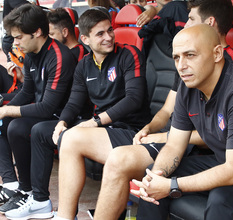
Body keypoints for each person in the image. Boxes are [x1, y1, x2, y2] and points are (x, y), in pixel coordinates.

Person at [92, 0, 233, 219]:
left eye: (191, 19)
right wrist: (150, 129)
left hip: (217, 153)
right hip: (179, 141)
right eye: (177, 58)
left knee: (123, 162)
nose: (184, 25)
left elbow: (220, 138)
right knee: (155, 176)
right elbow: (167, 113)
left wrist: (162, 139)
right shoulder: (189, 71)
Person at [132, 23, 233, 219]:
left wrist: (172, 186)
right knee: (155, 175)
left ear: (217, 54)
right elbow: (174, 146)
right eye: (177, 58)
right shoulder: (188, 86)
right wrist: (158, 177)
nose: (181, 66)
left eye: (190, 55)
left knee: (222, 199)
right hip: (228, 161)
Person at [6, 7, 151, 220]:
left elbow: (133, 99)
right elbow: (74, 103)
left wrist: (94, 122)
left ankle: (66, 216)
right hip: (102, 128)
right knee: (41, 131)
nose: (109, 37)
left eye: (110, 30)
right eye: (100, 34)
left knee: (71, 138)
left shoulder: (129, 54)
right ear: (85, 39)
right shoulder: (84, 65)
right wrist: (62, 122)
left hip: (131, 129)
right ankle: (40, 200)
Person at [0, 3, 77, 217]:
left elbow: (48, 107)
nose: (14, 43)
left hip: (67, 117)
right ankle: (25, 190)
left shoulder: (59, 56)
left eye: (18, 37)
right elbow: (27, 93)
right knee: (10, 125)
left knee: (26, 126)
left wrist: (7, 111)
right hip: (47, 113)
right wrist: (3, 105)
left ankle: (40, 199)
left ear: (37, 32)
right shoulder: (32, 53)